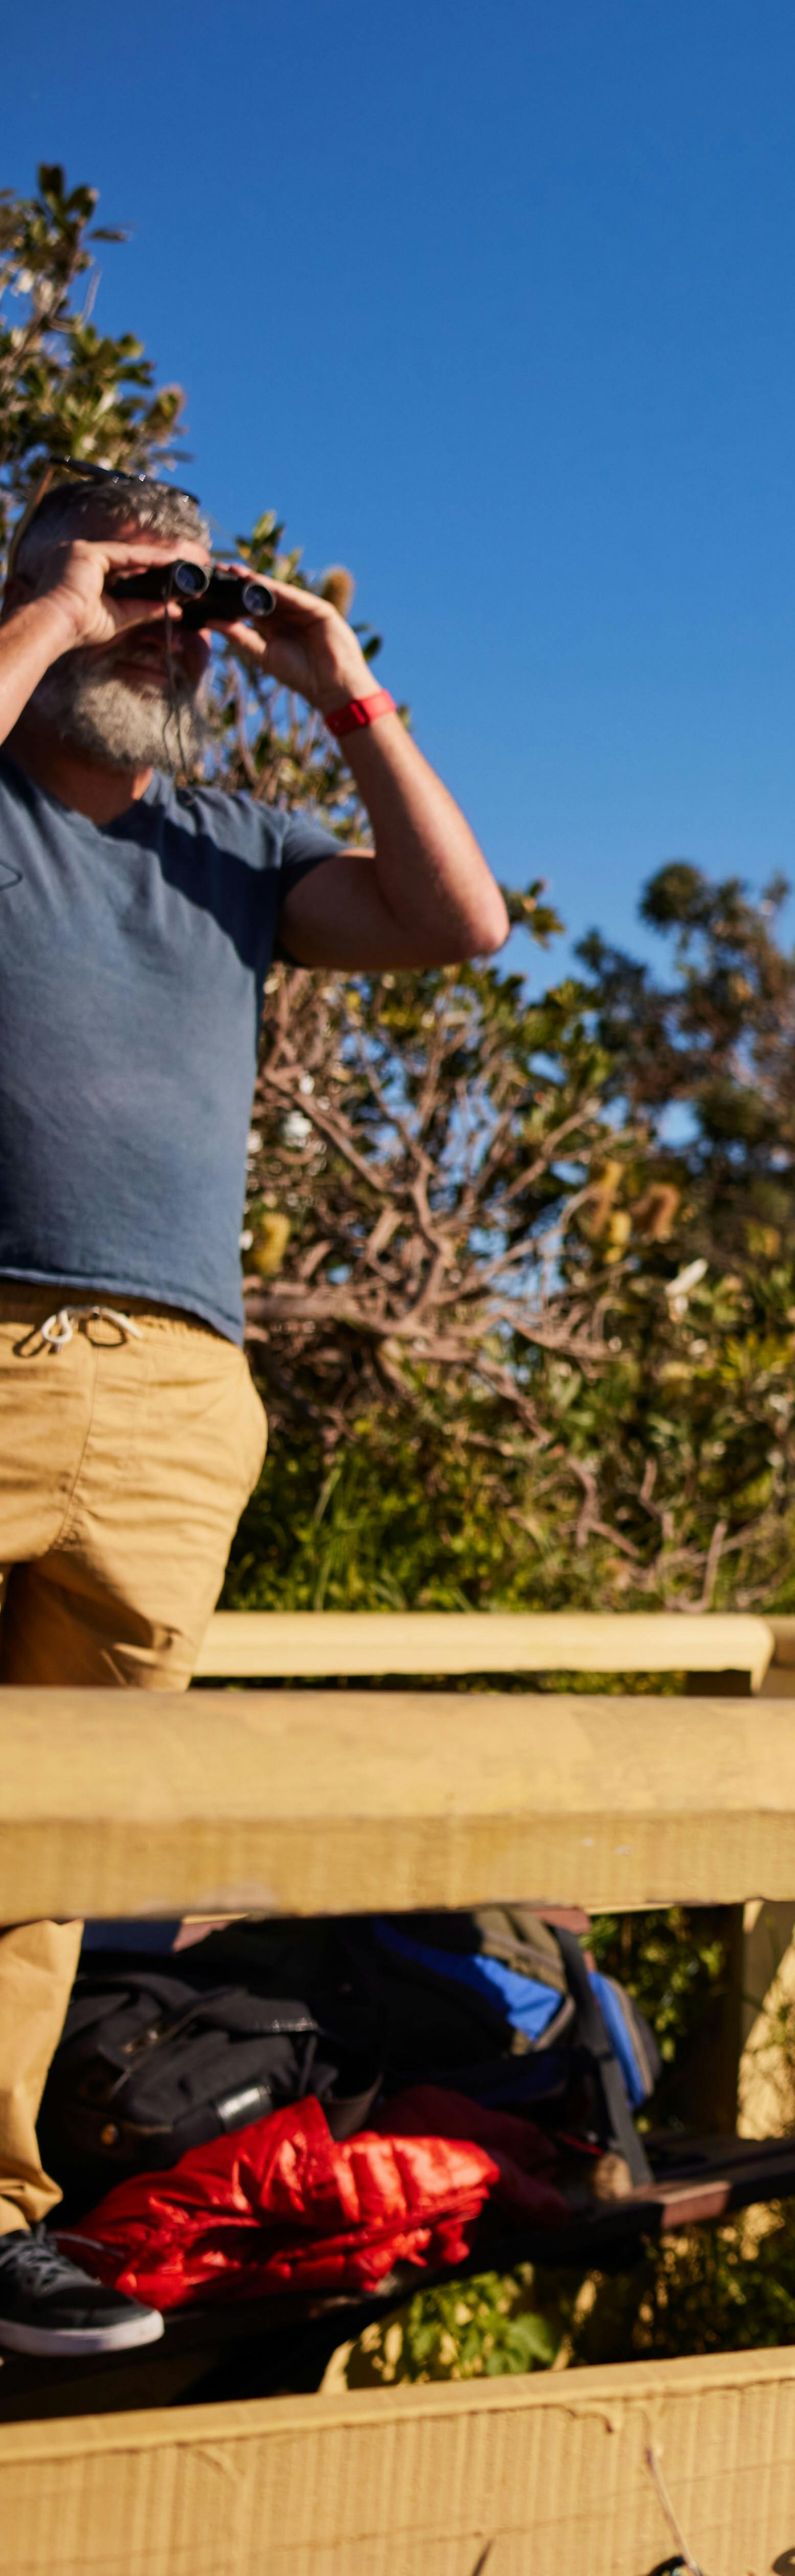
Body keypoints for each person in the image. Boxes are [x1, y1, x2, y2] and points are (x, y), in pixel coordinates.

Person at [0, 463, 508, 2359]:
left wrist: (336, 677)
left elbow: (462, 920)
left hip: (169, 1394)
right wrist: (55, 603)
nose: (153, 621)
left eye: (175, 595)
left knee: (41, 1849)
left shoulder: (222, 836)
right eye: (120, 579)